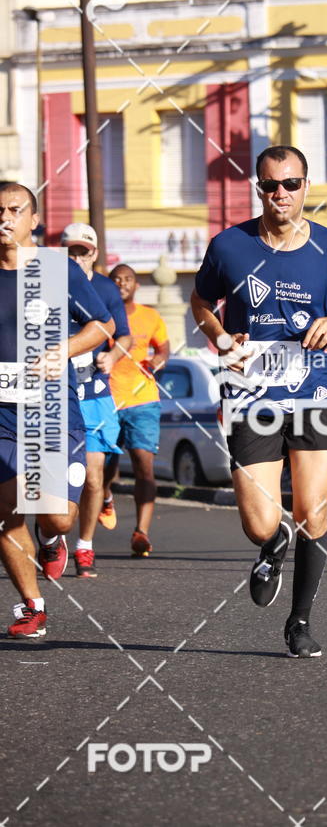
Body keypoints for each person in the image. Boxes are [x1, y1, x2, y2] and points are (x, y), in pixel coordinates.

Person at [191, 144, 327, 658]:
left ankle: (299, 623)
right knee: (260, 522)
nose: (280, 194)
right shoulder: (230, 246)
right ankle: (272, 547)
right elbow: (201, 301)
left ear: (306, 187)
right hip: (250, 395)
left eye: (290, 184)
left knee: (313, 512)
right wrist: (221, 340)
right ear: (259, 187)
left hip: (316, 390)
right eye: (270, 185)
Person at [0, 182, 114, 637]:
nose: (4, 218)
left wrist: (60, 351)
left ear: (34, 219)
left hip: (50, 408)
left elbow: (102, 325)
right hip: (1, 414)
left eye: (14, 210)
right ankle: (33, 607)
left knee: (56, 515)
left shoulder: (55, 270)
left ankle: (51, 537)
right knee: (6, 513)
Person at [60, 223, 132, 577]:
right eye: (70, 251)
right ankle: (52, 534)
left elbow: (124, 336)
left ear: (94, 253)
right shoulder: (43, 282)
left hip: (92, 392)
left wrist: (112, 357)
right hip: (52, 390)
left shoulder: (105, 287)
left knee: (92, 475)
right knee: (48, 478)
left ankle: (84, 545)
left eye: (83, 251)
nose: (77, 258)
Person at [102, 265, 170, 557]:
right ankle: (104, 496)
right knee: (103, 467)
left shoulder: (150, 316)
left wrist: (158, 361)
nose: (122, 284)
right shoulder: (101, 315)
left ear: (135, 285)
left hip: (143, 399)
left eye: (127, 279)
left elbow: (164, 348)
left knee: (144, 466)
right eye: (116, 279)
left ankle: (141, 532)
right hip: (106, 399)